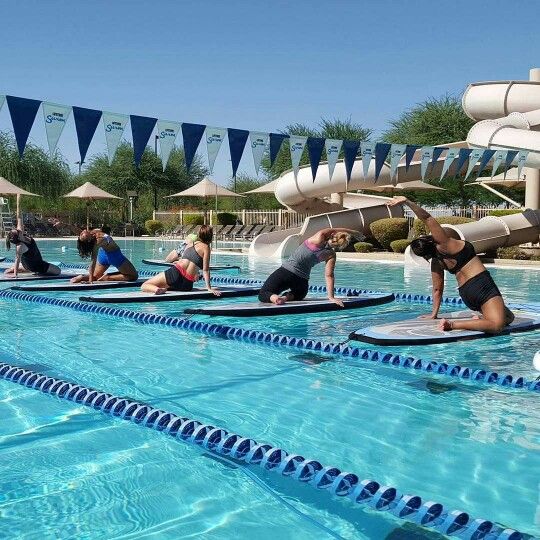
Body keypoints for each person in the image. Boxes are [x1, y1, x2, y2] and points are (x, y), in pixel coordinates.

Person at [387, 196, 514, 333]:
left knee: (509, 317)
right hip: (482, 285)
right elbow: (427, 218)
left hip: (467, 294)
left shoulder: (436, 263)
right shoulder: (445, 243)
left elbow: (437, 290)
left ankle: (481, 320)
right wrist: (407, 201)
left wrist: (433, 314)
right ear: (427, 240)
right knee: (497, 326)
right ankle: (452, 325)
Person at [258, 228, 357, 306]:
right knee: (300, 294)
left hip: (285, 272)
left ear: (332, 235)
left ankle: (275, 298)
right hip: (302, 281)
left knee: (264, 294)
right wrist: (331, 297)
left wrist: (351, 231)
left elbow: (332, 229)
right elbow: (329, 276)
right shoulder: (331, 255)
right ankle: (285, 298)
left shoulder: (318, 237)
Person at [141, 225, 220, 295]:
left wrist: (178, 261)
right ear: (210, 236)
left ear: (199, 234)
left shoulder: (189, 244)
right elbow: (205, 270)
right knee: (170, 285)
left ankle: (156, 289)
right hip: (187, 285)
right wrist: (209, 288)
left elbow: (186, 259)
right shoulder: (206, 248)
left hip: (176, 274)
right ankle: (165, 288)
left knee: (145, 285)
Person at [71, 229, 138, 283]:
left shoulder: (92, 235)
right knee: (133, 276)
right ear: (88, 239)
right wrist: (90, 281)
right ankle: (108, 277)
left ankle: (82, 277)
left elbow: (77, 230)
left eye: (81, 233)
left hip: (102, 256)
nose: (83, 231)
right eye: (82, 234)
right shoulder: (98, 241)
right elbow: (93, 261)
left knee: (96, 276)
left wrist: (64, 224)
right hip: (115, 256)